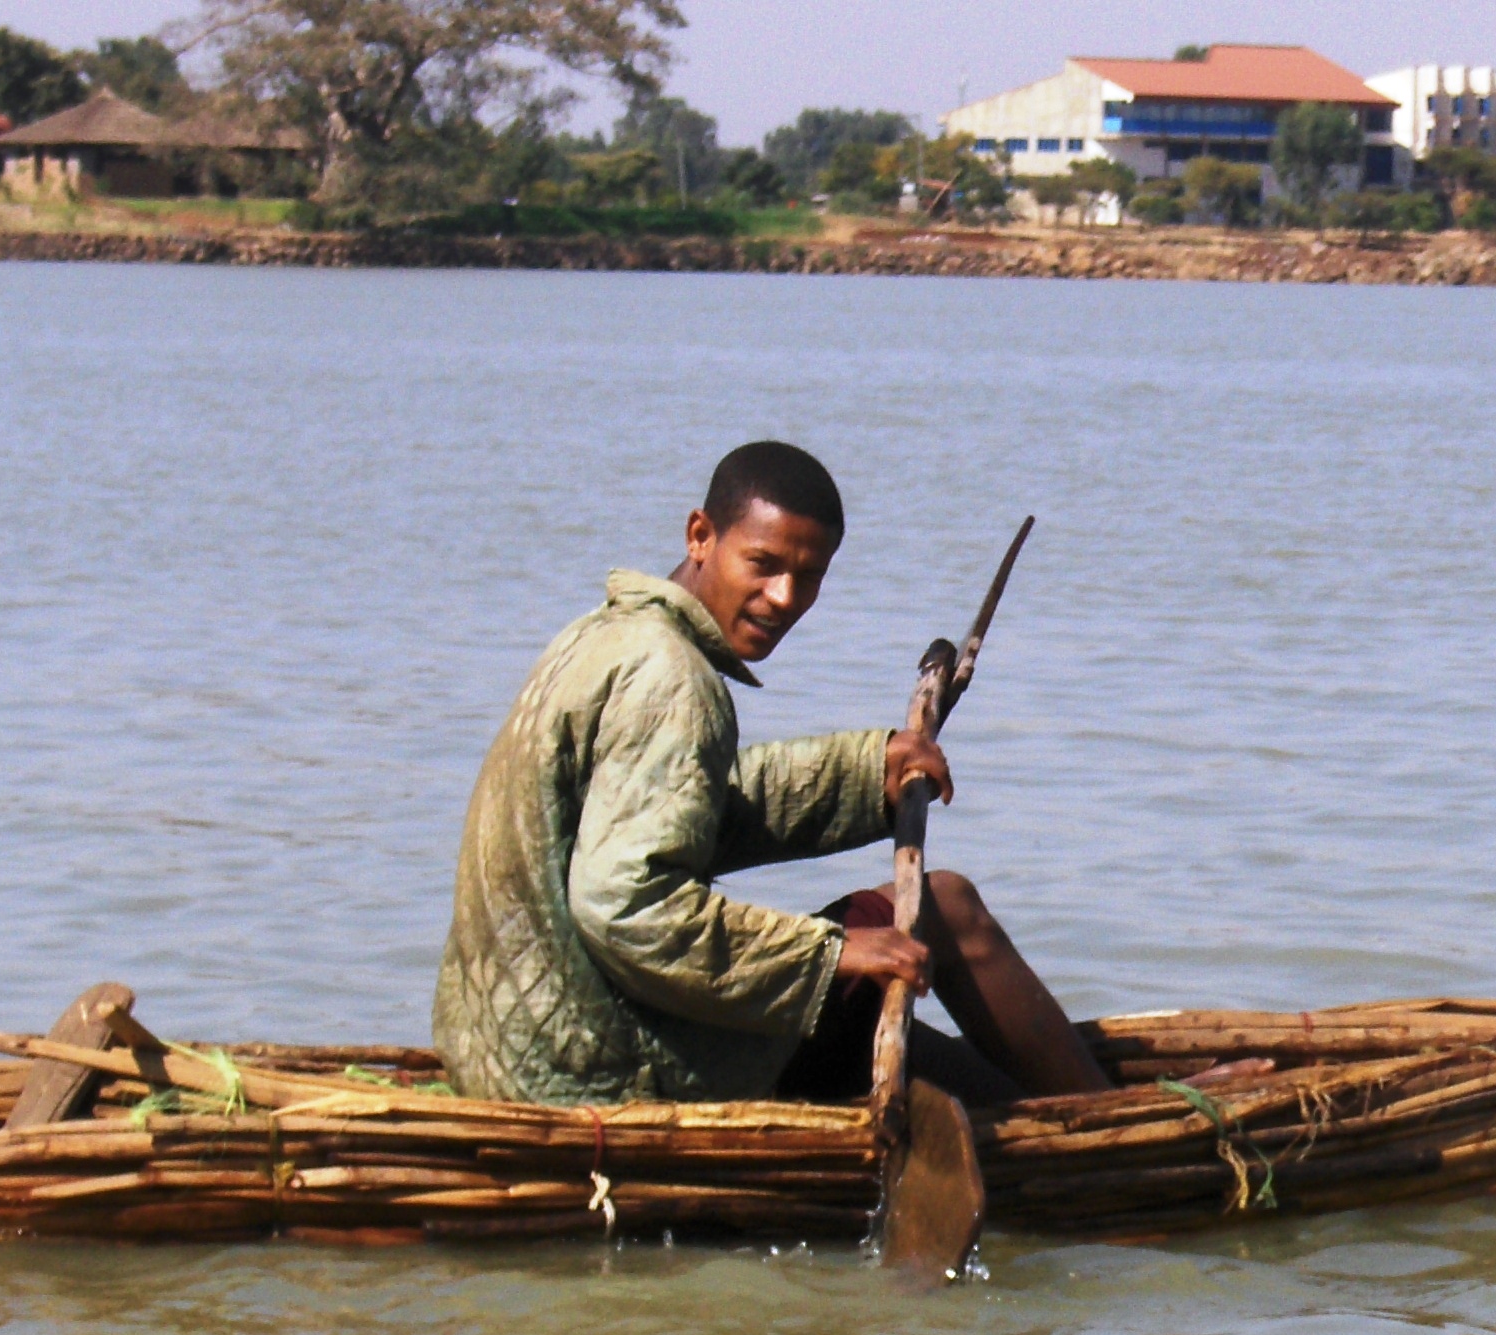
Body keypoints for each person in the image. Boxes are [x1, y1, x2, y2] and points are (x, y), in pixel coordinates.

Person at [430, 441, 1116, 1109]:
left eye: (809, 575)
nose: (783, 596)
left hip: (511, 1042)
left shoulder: (604, 636)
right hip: (600, 1062)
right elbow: (626, 909)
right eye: (761, 564)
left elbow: (689, 804)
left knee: (920, 1039)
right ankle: (1108, 1128)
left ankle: (1035, 1115)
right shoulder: (669, 676)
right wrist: (827, 955)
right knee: (945, 908)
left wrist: (864, 772)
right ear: (701, 535)